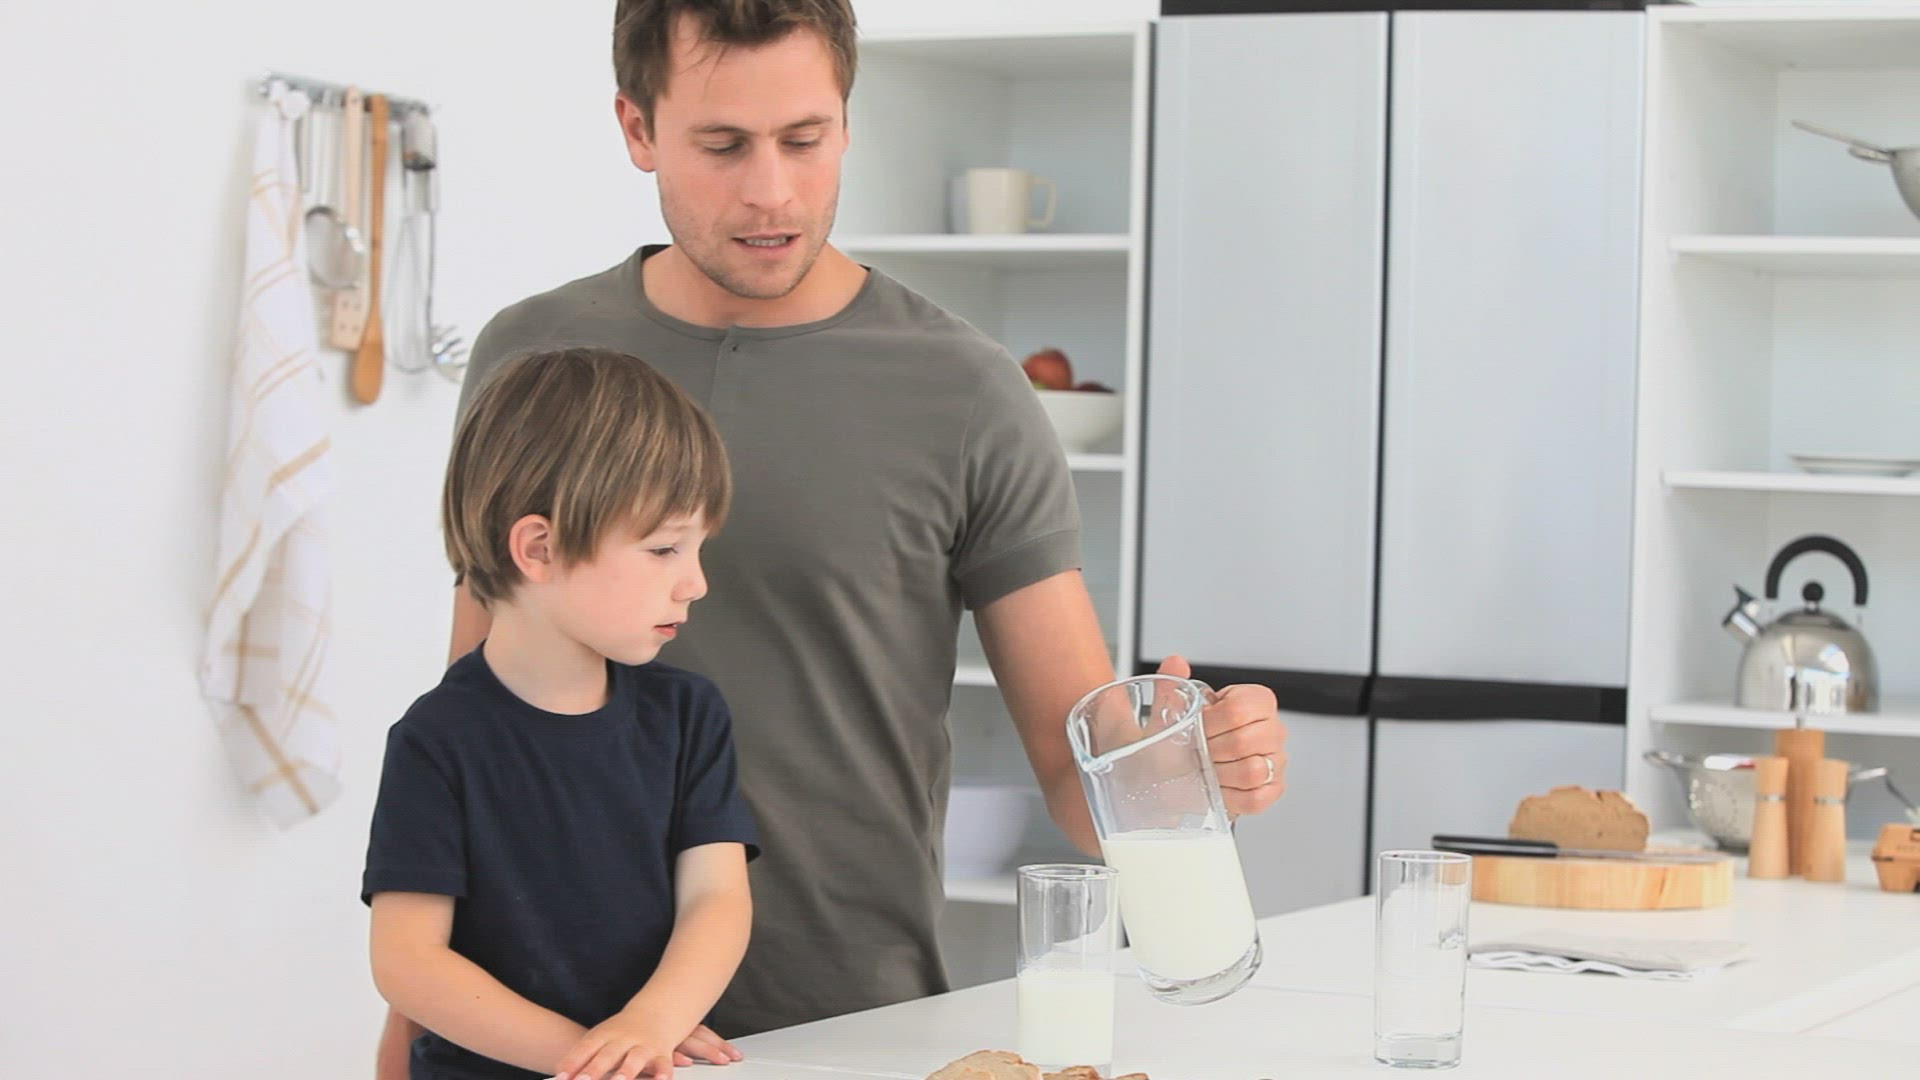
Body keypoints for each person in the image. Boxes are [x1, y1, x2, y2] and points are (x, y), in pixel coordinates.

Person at [378, 0, 1290, 1070]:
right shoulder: (533, 356)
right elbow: (477, 703)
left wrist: (1189, 781)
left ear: (848, 123)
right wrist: (412, 1024)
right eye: (723, 145)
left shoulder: (966, 391)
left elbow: (1074, 771)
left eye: (805, 139)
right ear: (638, 128)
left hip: (846, 1028)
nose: (771, 190)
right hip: (549, 1040)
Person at [365, 347, 759, 1080]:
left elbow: (717, 900)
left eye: (698, 548)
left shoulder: (689, 717)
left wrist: (651, 1025)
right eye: (665, 549)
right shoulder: (437, 739)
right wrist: (597, 1060)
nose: (695, 583)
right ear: (539, 548)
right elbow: (409, 961)